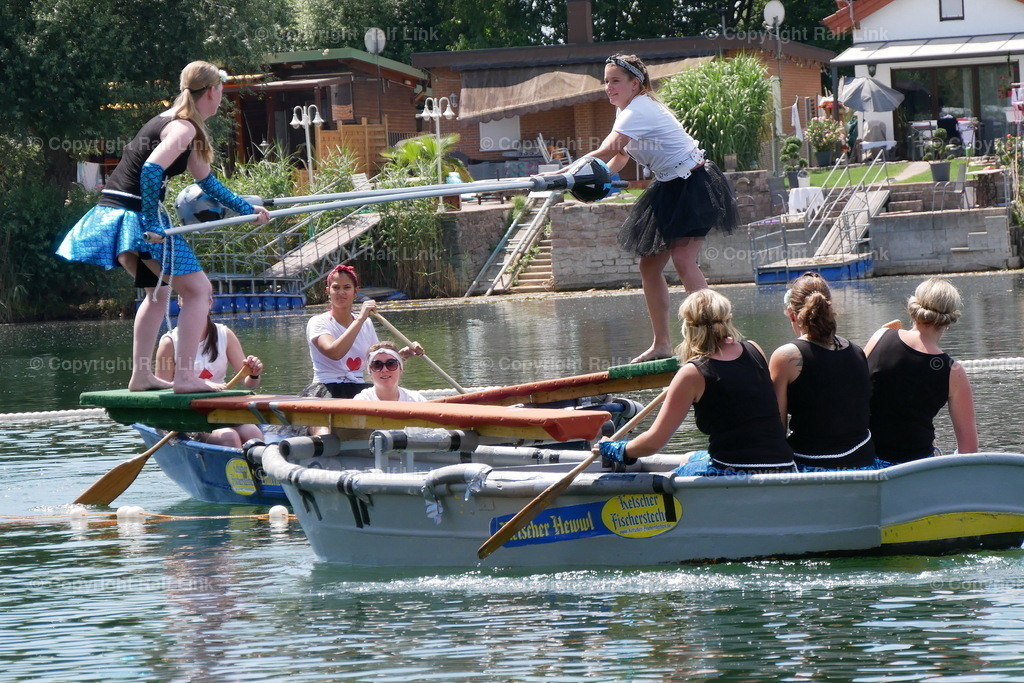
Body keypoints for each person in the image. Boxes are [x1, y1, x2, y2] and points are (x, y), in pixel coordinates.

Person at [56, 61, 270, 393]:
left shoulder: (173, 123)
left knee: (156, 294)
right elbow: (152, 169)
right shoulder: (183, 128)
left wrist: (247, 209)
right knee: (199, 291)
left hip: (117, 216)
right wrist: (153, 223)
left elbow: (208, 183)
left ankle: (141, 376)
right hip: (137, 221)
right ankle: (184, 378)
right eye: (220, 93)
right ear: (212, 92)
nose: (220, 99)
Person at [577, 53, 738, 363]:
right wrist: (593, 182)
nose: (608, 87)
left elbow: (609, 148)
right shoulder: (625, 110)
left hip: (693, 183)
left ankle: (718, 336)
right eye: (606, 81)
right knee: (649, 266)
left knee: (682, 258)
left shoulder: (638, 109)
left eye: (615, 81)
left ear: (635, 84)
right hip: (668, 186)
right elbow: (620, 158)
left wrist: (565, 173)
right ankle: (662, 344)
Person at [595, 289, 796, 476]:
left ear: (687, 327)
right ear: (727, 320)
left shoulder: (691, 373)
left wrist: (616, 449)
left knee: (676, 473)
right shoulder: (754, 350)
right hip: (784, 466)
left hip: (736, 471)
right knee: (687, 458)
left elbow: (654, 442)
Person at [768, 272, 876, 471]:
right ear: (830, 307)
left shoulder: (785, 357)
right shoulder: (856, 351)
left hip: (812, 463)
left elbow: (776, 429)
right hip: (864, 460)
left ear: (792, 313)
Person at [864, 278, 978, 466]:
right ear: (949, 320)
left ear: (914, 309)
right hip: (916, 469)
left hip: (867, 461)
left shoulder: (880, 336)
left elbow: (854, 394)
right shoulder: (954, 372)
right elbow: (969, 450)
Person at [302, 265, 422, 399]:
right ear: (328, 291)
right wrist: (360, 318)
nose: (341, 292)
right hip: (327, 387)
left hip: (358, 387)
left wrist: (402, 355)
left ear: (356, 292)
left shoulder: (366, 323)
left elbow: (376, 361)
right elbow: (334, 353)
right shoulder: (318, 322)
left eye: (347, 287)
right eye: (336, 287)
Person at [154, 301, 264, 448]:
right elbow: (160, 394)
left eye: (201, 300)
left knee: (253, 433)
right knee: (229, 437)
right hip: (189, 415)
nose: (196, 306)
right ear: (181, 304)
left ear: (210, 303)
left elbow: (249, 382)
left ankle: (256, 470)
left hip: (221, 410)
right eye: (190, 300)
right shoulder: (169, 343)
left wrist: (254, 374)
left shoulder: (225, 335)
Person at [353, 342, 427, 402]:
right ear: (370, 372)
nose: (384, 369)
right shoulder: (362, 401)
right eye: (377, 365)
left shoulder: (416, 400)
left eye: (391, 363)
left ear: (400, 369)